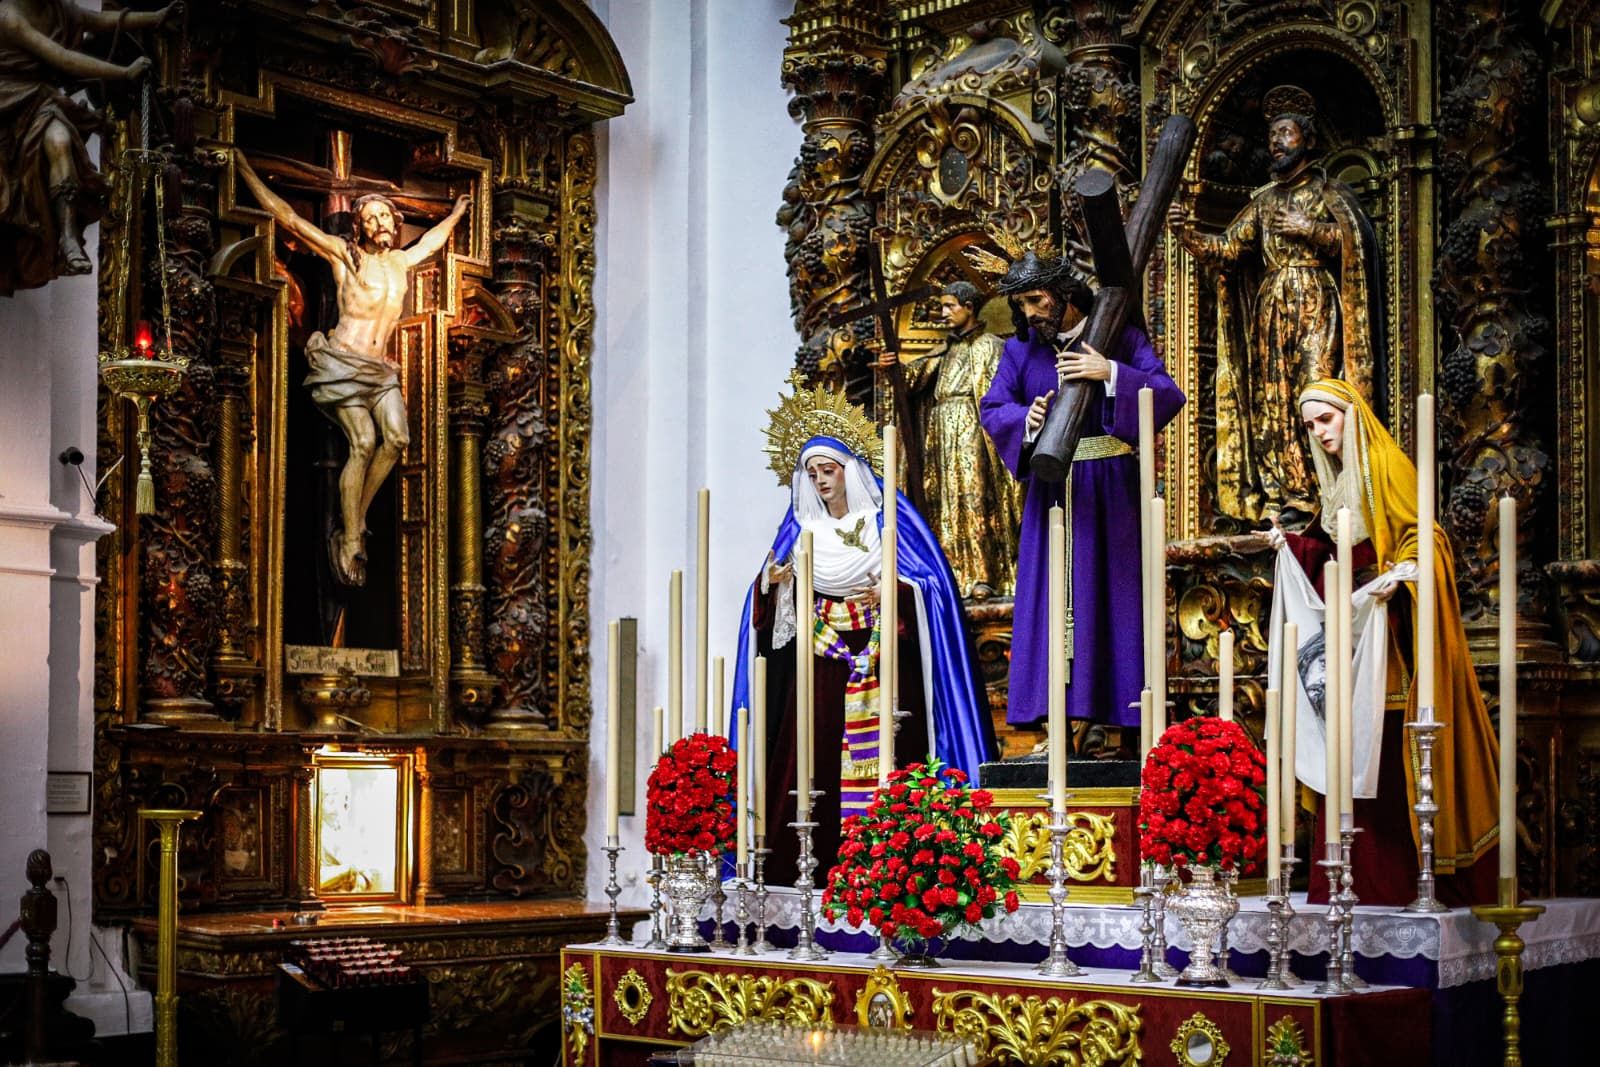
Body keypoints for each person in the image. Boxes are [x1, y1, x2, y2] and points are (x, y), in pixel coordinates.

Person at [732, 379, 994, 884]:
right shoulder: (800, 530)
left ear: (849, 470)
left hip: (884, 655)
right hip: (821, 663)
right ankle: (811, 870)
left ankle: (897, 872)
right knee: (812, 761)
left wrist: (895, 591)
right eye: (812, 473)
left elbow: (932, 588)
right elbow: (766, 610)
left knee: (897, 756)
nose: (820, 481)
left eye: (828, 470)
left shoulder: (889, 521)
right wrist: (775, 584)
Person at [1270, 378, 1498, 906]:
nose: (1318, 432)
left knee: (1389, 749)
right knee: (1345, 749)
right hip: (1349, 645)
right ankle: (1348, 881)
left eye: (1326, 419)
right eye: (1309, 425)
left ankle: (1399, 881)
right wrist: (1294, 548)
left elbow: (1424, 536)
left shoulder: (1385, 467)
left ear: (1351, 415)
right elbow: (1336, 555)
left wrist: (1405, 570)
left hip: (1388, 640)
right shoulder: (1338, 486)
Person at [978, 250, 1184, 750]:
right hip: (1050, 492)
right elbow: (994, 407)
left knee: (1114, 598)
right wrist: (1027, 420)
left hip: (1111, 492)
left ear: (1065, 294)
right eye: (1021, 304)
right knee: (1050, 602)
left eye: (1036, 300)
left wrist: (1110, 372)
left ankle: (1123, 722)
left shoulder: (1119, 336)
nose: (1029, 313)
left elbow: (1167, 393)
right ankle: (1056, 723)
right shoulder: (1020, 351)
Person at [235, 152, 471, 586]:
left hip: (379, 371)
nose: (380, 222)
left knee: (397, 439)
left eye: (385, 216)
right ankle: (349, 537)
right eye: (371, 217)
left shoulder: (399, 263)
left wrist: (456, 214)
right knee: (362, 442)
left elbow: (431, 243)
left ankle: (356, 516)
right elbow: (289, 218)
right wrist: (244, 170)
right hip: (342, 363)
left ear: (394, 223)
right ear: (360, 226)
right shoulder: (346, 256)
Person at [1167, 85, 1385, 526]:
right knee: (1276, 399)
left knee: (1316, 389)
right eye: (1272, 136)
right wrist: (1187, 234)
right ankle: (1293, 494)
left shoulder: (1327, 192)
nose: (1276, 142)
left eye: (1285, 133)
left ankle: (1334, 488)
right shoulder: (1264, 201)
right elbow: (1229, 249)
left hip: (1314, 299)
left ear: (1308, 139)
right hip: (1271, 308)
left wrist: (1311, 229)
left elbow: (1357, 244)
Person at [0, 0, 177, 292]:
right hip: (7, 102)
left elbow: (98, 21)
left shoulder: (57, 10)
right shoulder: (9, 15)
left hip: (39, 100)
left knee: (60, 142)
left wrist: (154, 18)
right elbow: (63, 58)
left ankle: (68, 239)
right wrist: (123, 72)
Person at [879, 280, 1021, 598]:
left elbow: (1002, 393)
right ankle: (951, 576)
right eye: (942, 306)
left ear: (968, 307)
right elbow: (912, 381)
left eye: (949, 306)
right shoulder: (944, 350)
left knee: (975, 495)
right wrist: (894, 369)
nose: (944, 313)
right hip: (940, 431)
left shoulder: (991, 346)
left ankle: (985, 574)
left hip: (973, 427)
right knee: (943, 500)